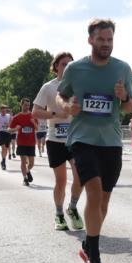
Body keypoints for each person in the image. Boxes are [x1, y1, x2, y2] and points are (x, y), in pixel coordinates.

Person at [56, 18, 132, 263]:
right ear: (90, 39)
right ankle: (95, 259)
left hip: (110, 141)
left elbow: (129, 108)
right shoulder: (76, 69)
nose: (106, 44)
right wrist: (67, 107)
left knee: (103, 201)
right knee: (92, 190)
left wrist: (124, 96)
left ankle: (87, 246)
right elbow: (61, 95)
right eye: (101, 39)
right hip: (82, 139)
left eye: (110, 40)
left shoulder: (122, 69)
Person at [33, 51, 85, 231]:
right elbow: (36, 112)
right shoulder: (48, 87)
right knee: (61, 181)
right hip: (55, 139)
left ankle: (72, 207)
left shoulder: (79, 85)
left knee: (80, 176)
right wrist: (55, 114)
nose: (67, 67)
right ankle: (59, 214)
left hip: (76, 139)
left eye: (71, 64)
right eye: (64, 64)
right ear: (56, 67)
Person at [12, 98, 37, 186]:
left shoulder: (33, 115)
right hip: (21, 142)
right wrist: (15, 129)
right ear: (21, 105)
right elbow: (9, 129)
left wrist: (34, 123)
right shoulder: (17, 117)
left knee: (31, 163)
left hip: (31, 143)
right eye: (25, 105)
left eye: (28, 105)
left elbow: (37, 128)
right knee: (23, 161)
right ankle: (24, 178)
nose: (27, 107)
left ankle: (27, 171)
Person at [0, 105, 13, 170]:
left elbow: (11, 124)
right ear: (0, 110)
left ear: (6, 110)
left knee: (6, 148)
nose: (3, 112)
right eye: (2, 110)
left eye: (5, 110)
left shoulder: (9, 116)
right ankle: (3, 162)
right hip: (1, 133)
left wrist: (9, 124)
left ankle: (3, 159)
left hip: (7, 133)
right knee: (3, 148)